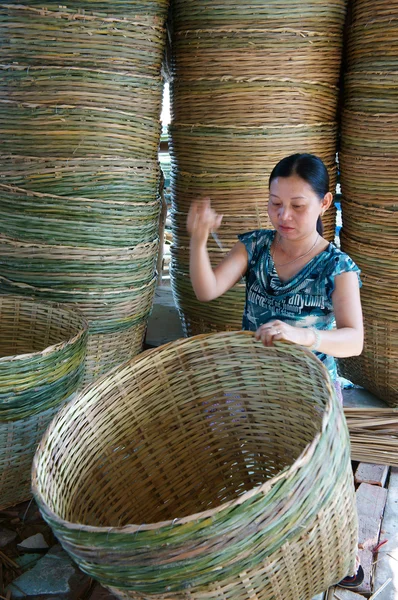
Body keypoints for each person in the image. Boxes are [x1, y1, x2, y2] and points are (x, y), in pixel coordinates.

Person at [187, 152, 364, 589]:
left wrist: (306, 336)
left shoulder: (337, 268)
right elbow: (207, 290)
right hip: (252, 383)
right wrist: (196, 239)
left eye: (298, 205)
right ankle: (254, 554)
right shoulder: (255, 246)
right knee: (247, 467)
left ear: (324, 205)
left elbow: (354, 339)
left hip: (311, 392)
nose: (283, 215)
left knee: (317, 482)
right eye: (274, 203)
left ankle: (340, 559)